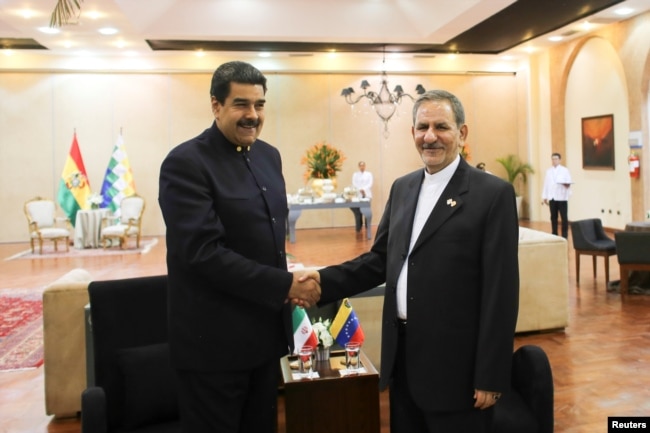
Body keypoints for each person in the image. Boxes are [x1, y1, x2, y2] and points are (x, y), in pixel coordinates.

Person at [301, 89, 519, 432]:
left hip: (458, 373)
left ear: (462, 134)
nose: (430, 137)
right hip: (402, 365)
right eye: (422, 127)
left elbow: (501, 292)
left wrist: (491, 375)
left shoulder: (492, 195)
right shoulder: (403, 188)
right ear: (413, 133)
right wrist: (320, 281)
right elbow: (379, 261)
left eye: (441, 127)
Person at [158, 61, 320, 433]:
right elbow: (203, 253)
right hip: (212, 348)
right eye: (241, 105)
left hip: (262, 340)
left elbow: (265, 239)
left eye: (260, 105)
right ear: (216, 106)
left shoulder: (269, 156)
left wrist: (289, 276)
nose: (253, 115)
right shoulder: (186, 163)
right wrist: (284, 286)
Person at [542, 152, 572, 238]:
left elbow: (569, 182)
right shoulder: (548, 171)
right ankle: (554, 233)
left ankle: (564, 235)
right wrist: (545, 196)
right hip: (552, 197)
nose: (554, 161)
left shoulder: (565, 170)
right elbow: (546, 184)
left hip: (562, 197)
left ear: (559, 160)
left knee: (564, 217)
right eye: (553, 159)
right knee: (553, 217)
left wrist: (566, 186)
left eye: (556, 159)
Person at [351, 160, 373, 232]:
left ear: (365, 166)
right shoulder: (355, 174)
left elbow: (370, 183)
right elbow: (354, 183)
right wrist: (360, 189)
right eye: (360, 165)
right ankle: (359, 227)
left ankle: (367, 227)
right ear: (359, 166)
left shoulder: (369, 174)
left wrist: (364, 189)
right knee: (358, 212)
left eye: (363, 165)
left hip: (367, 194)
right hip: (358, 194)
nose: (362, 167)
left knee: (367, 211)